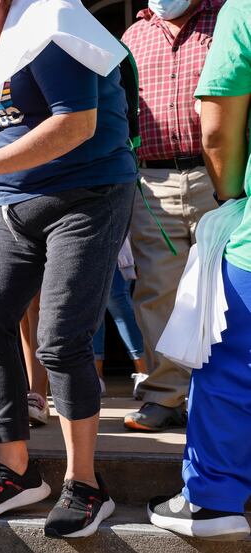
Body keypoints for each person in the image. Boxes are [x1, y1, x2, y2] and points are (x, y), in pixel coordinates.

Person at [0, 0, 138, 538]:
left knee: (60, 339)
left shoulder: (50, 26)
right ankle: (18, 471)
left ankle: (85, 486)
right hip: (17, 209)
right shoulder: (5, 39)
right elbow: (0, 128)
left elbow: (77, 123)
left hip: (85, 198)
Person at [148, 0, 251, 538]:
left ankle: (213, 499)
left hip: (242, 225)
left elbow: (217, 126)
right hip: (157, 176)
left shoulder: (239, 12)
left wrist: (232, 199)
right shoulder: (137, 32)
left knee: (229, 357)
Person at [121, 0, 222, 432]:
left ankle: (224, 394)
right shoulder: (132, 37)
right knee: (157, 292)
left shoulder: (226, 19)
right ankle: (165, 396)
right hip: (151, 182)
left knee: (229, 289)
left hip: (219, 172)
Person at [0, 114, 48, 426]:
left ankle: (39, 393)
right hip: (3, 206)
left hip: (46, 197)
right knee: (15, 310)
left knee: (41, 308)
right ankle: (29, 394)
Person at [93, 239, 149, 398]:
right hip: (81, 232)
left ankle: (143, 371)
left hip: (114, 233)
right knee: (92, 303)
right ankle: (95, 376)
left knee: (116, 298)